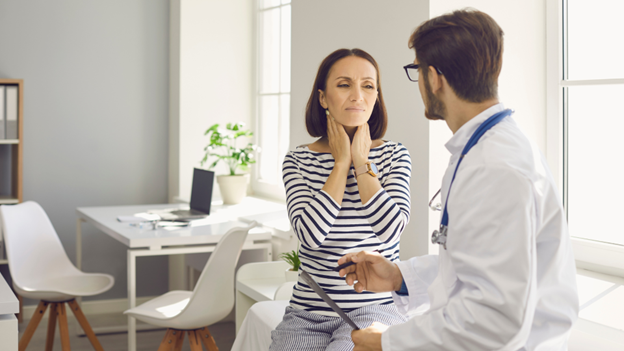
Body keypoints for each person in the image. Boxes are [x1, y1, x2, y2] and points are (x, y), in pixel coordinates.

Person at [338, 9, 579, 351]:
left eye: (416, 71)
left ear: (434, 77)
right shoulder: (482, 148)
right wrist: (399, 277)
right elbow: (477, 266)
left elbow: (494, 319)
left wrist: (388, 343)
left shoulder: (496, 166)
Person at [270, 48, 412, 350]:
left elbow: (391, 229)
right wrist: (340, 163)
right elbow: (310, 235)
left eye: (368, 86)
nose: (358, 95)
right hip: (308, 312)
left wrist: (361, 161)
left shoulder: (394, 155)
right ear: (323, 98)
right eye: (344, 84)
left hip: (375, 309)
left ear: (376, 96)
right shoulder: (298, 160)